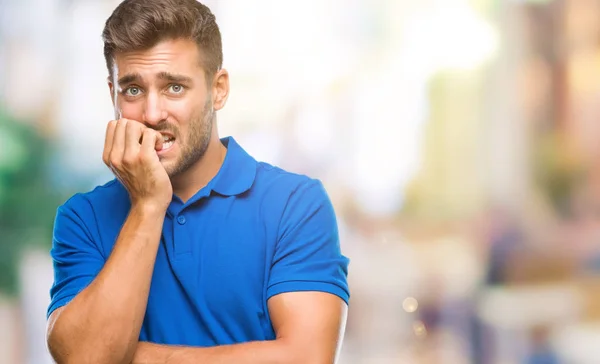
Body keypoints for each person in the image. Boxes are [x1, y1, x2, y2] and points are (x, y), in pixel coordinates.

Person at [45, 0, 350, 363]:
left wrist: (135, 357)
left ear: (218, 89)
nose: (152, 114)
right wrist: (147, 205)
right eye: (132, 90)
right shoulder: (83, 218)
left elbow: (306, 358)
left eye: (174, 87)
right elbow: (86, 358)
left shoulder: (295, 204)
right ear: (112, 92)